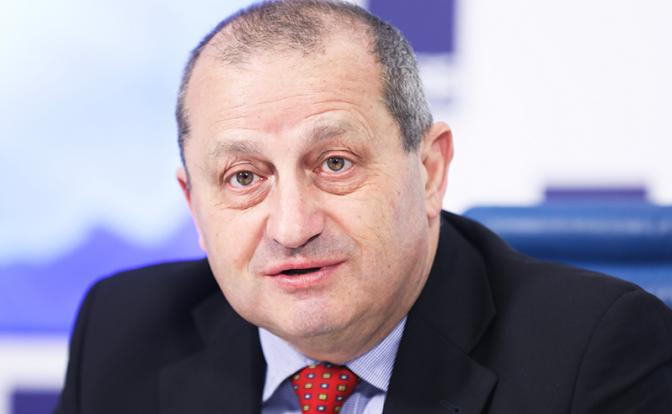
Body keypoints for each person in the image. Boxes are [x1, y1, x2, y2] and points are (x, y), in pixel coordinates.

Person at [56, 1, 672, 413]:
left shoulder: (595, 355)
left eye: (335, 163)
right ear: (195, 206)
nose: (292, 227)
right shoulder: (121, 332)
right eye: (244, 177)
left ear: (429, 172)